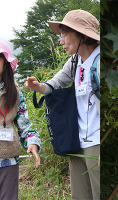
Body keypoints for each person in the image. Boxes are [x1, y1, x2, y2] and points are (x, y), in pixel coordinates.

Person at [25, 9, 100, 200]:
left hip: (98, 144)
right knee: (80, 196)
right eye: (60, 35)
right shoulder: (75, 62)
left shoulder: (100, 61)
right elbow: (54, 84)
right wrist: (38, 86)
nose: (61, 41)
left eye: (65, 34)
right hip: (77, 142)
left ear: (82, 35)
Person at [0, 41, 41, 200]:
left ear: (6, 63)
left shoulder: (16, 94)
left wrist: (32, 143)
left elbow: (25, 127)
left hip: (8, 162)